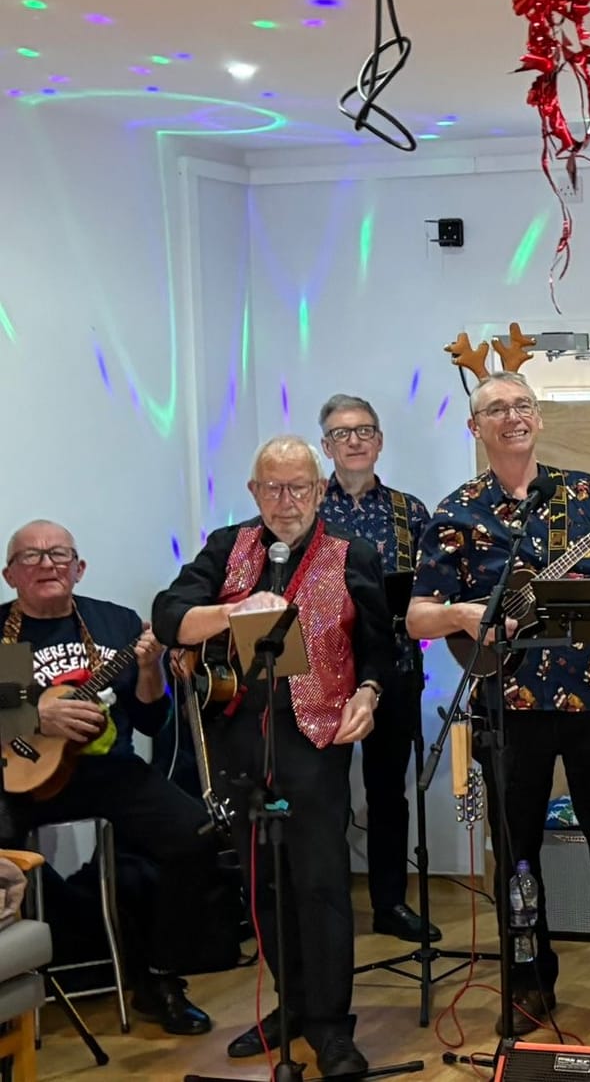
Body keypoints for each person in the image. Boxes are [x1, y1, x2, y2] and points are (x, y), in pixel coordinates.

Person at [405, 371, 590, 1036]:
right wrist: (464, 613)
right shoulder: (457, 511)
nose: (513, 416)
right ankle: (529, 981)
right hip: (508, 705)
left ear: (539, 418)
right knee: (517, 857)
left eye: (523, 404)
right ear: (476, 428)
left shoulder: (585, 493)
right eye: (496, 409)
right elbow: (417, 616)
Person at [153, 436, 390, 1076]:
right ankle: (292, 1004)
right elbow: (169, 615)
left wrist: (369, 691)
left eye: (299, 488)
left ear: (320, 490)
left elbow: (379, 648)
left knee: (319, 884)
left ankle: (332, 1027)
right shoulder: (227, 548)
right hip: (237, 732)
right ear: (255, 492)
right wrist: (234, 610)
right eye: (273, 488)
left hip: (314, 739)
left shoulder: (354, 554)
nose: (286, 501)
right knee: (262, 884)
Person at [0, 520, 215, 1035]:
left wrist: (148, 671)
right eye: (31, 557)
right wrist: (36, 717)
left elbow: (148, 720)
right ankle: (7, 997)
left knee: (195, 832)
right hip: (16, 776)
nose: (47, 564)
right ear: (10, 575)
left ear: (79, 568)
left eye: (59, 554)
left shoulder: (115, 624)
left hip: (108, 770)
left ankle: (160, 978)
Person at [314, 392, 440, 945]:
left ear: (380, 440)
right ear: (326, 446)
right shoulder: (307, 508)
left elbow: (434, 588)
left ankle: (390, 903)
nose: (355, 440)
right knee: (323, 791)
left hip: (396, 666)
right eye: (342, 433)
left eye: (364, 430)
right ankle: (326, 906)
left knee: (389, 790)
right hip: (321, 674)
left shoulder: (410, 512)